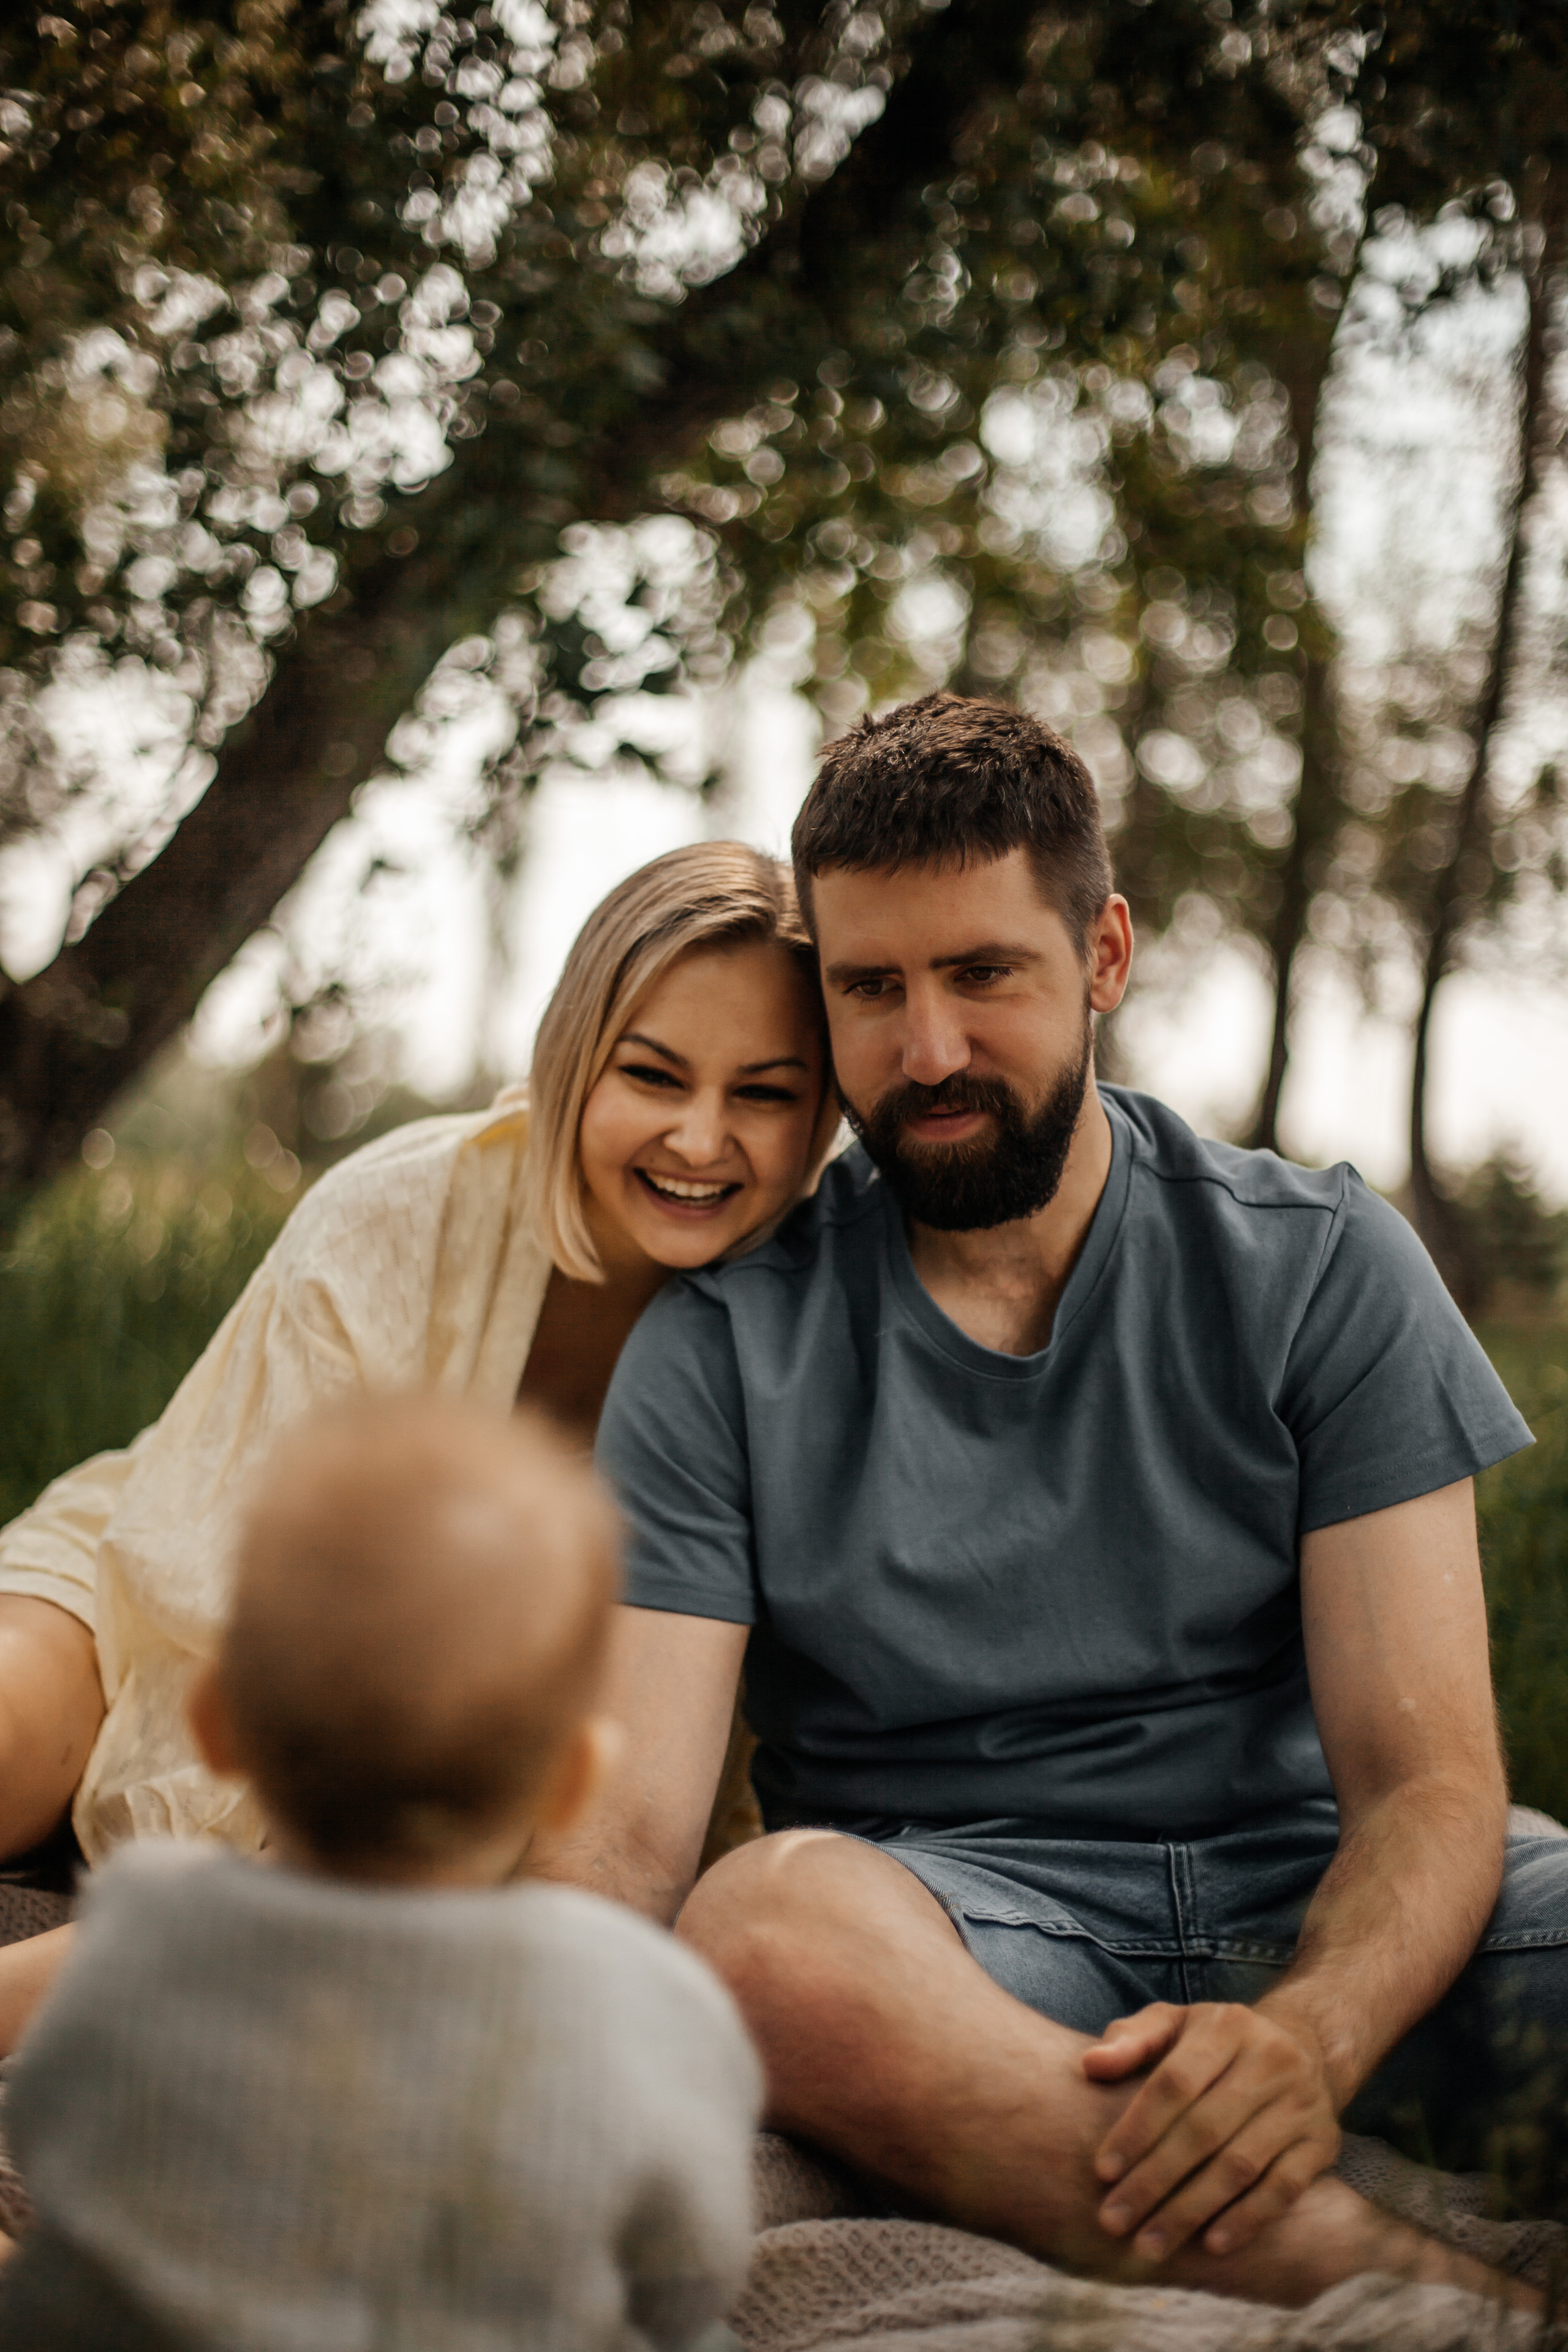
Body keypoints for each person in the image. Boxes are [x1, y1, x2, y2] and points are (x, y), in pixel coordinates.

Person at [545, 692, 1556, 2317]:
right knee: (760, 1933)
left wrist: (1307, 2037)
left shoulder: (1318, 1266)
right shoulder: (724, 1346)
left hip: (1322, 1903)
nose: (926, 1050)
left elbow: (1431, 1784)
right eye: (870, 988)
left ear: (1102, 957)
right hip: (960, 1939)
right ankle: (1419, 2298)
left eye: (983, 976)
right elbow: (631, 1833)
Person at [0, 841, 835, 2050]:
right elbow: (216, 1579)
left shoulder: (811, 1326)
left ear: (818, 1116)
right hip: (181, 1562)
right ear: (573, 1060)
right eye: (653, 1075)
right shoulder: (400, 1206)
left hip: (487, 1725)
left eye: (762, 1094)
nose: (700, 1140)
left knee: (364, 1874)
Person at [0, 1395, 761, 2349]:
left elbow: (49, 2125)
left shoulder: (137, 1935)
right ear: (571, 1781)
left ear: (215, 1723)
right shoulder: (645, 2011)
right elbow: (691, 2267)